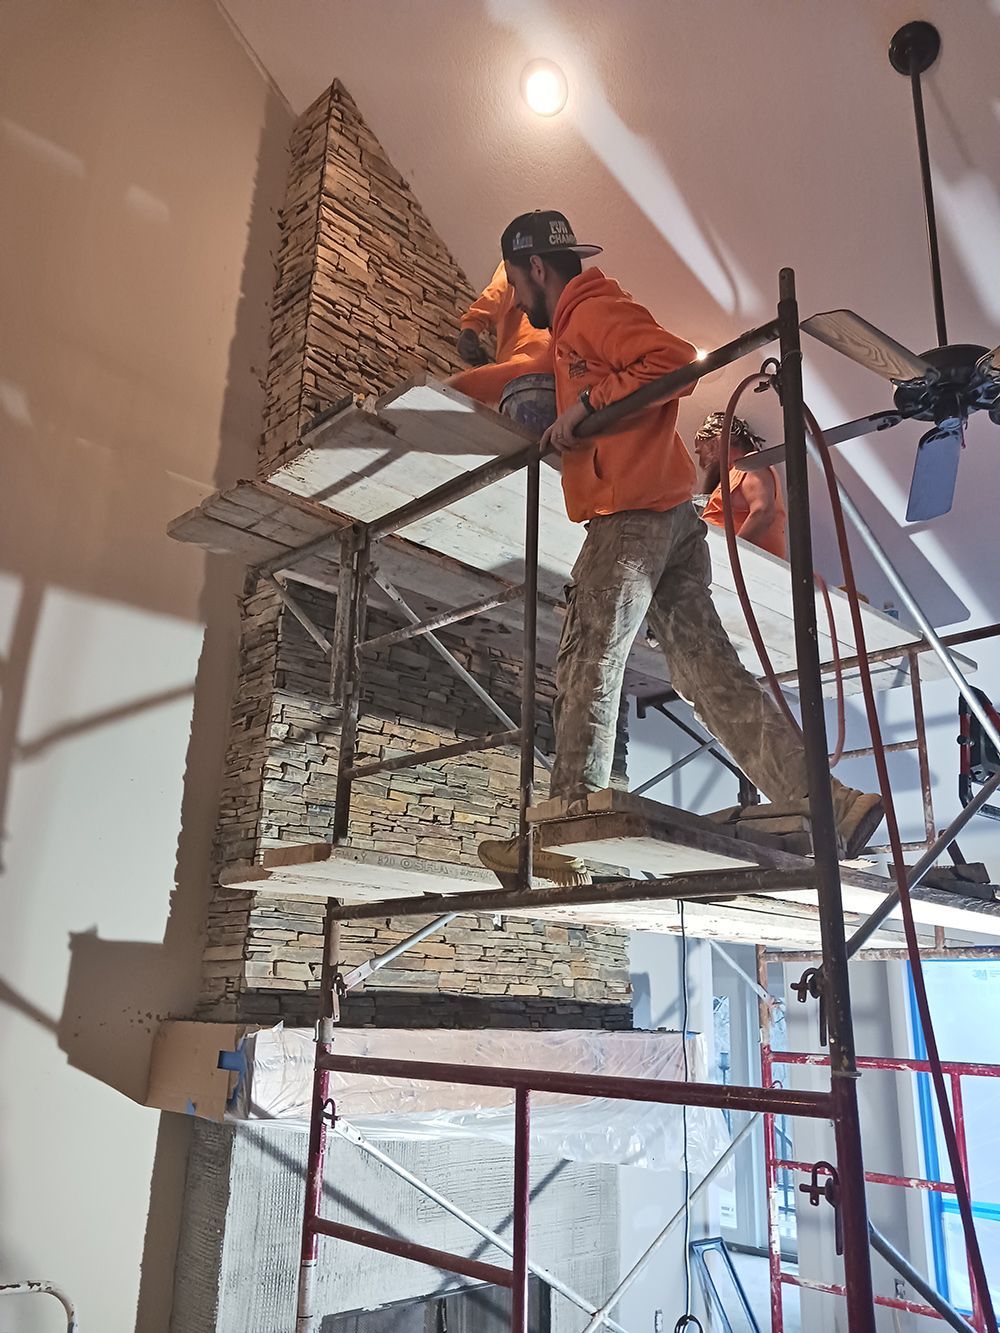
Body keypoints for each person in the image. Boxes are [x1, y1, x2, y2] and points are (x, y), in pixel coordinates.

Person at [478, 209, 883, 882]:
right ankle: (827, 805)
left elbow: (672, 363)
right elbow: (627, 388)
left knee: (589, 662)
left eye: (517, 285)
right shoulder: (580, 327)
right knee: (710, 676)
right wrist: (572, 413)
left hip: (633, 516)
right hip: (671, 520)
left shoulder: (588, 311)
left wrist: (584, 407)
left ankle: (561, 836)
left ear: (538, 270)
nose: (518, 299)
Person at [448, 260, 552, 407]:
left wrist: (471, 327)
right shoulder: (559, 279)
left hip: (522, 369)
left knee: (451, 390)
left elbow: (499, 290)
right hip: (555, 380)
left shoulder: (520, 260)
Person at [695, 412, 787, 558]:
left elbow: (763, 513)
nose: (701, 463)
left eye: (700, 452)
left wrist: (731, 560)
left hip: (743, 568)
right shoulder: (731, 476)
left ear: (716, 442)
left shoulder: (751, 464)